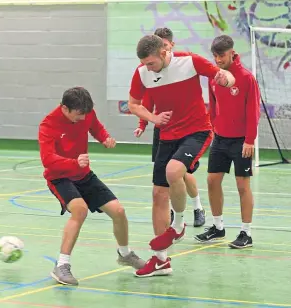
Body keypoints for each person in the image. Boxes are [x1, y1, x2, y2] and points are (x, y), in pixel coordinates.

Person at [127, 35, 236, 277]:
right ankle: (161, 261)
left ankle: (178, 225)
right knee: (158, 194)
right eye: (144, 63)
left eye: (152, 63)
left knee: (175, 171)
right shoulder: (142, 72)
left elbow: (226, 75)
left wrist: (226, 79)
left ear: (164, 53)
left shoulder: (189, 62)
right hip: (167, 135)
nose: (148, 68)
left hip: (197, 130)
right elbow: (134, 104)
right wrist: (153, 119)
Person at [38, 87, 146, 285]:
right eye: (78, 115)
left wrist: (104, 138)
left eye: (85, 114)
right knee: (80, 210)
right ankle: (61, 265)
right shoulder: (48, 124)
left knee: (118, 211)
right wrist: (73, 162)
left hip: (83, 174)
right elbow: (47, 159)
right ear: (64, 108)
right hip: (59, 177)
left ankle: (125, 254)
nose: (82, 118)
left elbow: (95, 126)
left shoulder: (86, 113)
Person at [133, 27, 206, 234]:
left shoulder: (185, 65)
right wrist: (143, 123)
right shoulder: (148, 71)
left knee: (181, 173)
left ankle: (197, 207)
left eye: (165, 45)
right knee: (166, 178)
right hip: (164, 128)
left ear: (169, 47)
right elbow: (144, 100)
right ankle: (171, 221)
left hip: (189, 129)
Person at [194, 35, 260, 249]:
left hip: (242, 141)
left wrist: (249, 140)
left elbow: (253, 112)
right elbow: (212, 105)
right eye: (215, 56)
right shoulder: (214, 77)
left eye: (221, 56)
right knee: (212, 181)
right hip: (220, 139)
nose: (218, 60)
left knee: (242, 186)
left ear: (232, 53)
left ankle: (246, 233)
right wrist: (213, 127)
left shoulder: (246, 78)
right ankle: (218, 227)